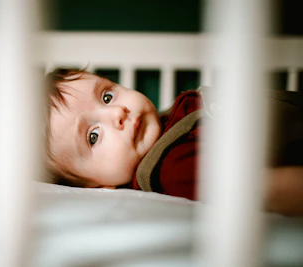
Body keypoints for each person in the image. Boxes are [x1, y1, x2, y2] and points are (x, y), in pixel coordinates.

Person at [45, 68, 303, 216]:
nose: (117, 113)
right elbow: (264, 188)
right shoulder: (172, 169)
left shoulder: (171, 120)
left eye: (107, 96)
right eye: (93, 136)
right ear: (97, 186)